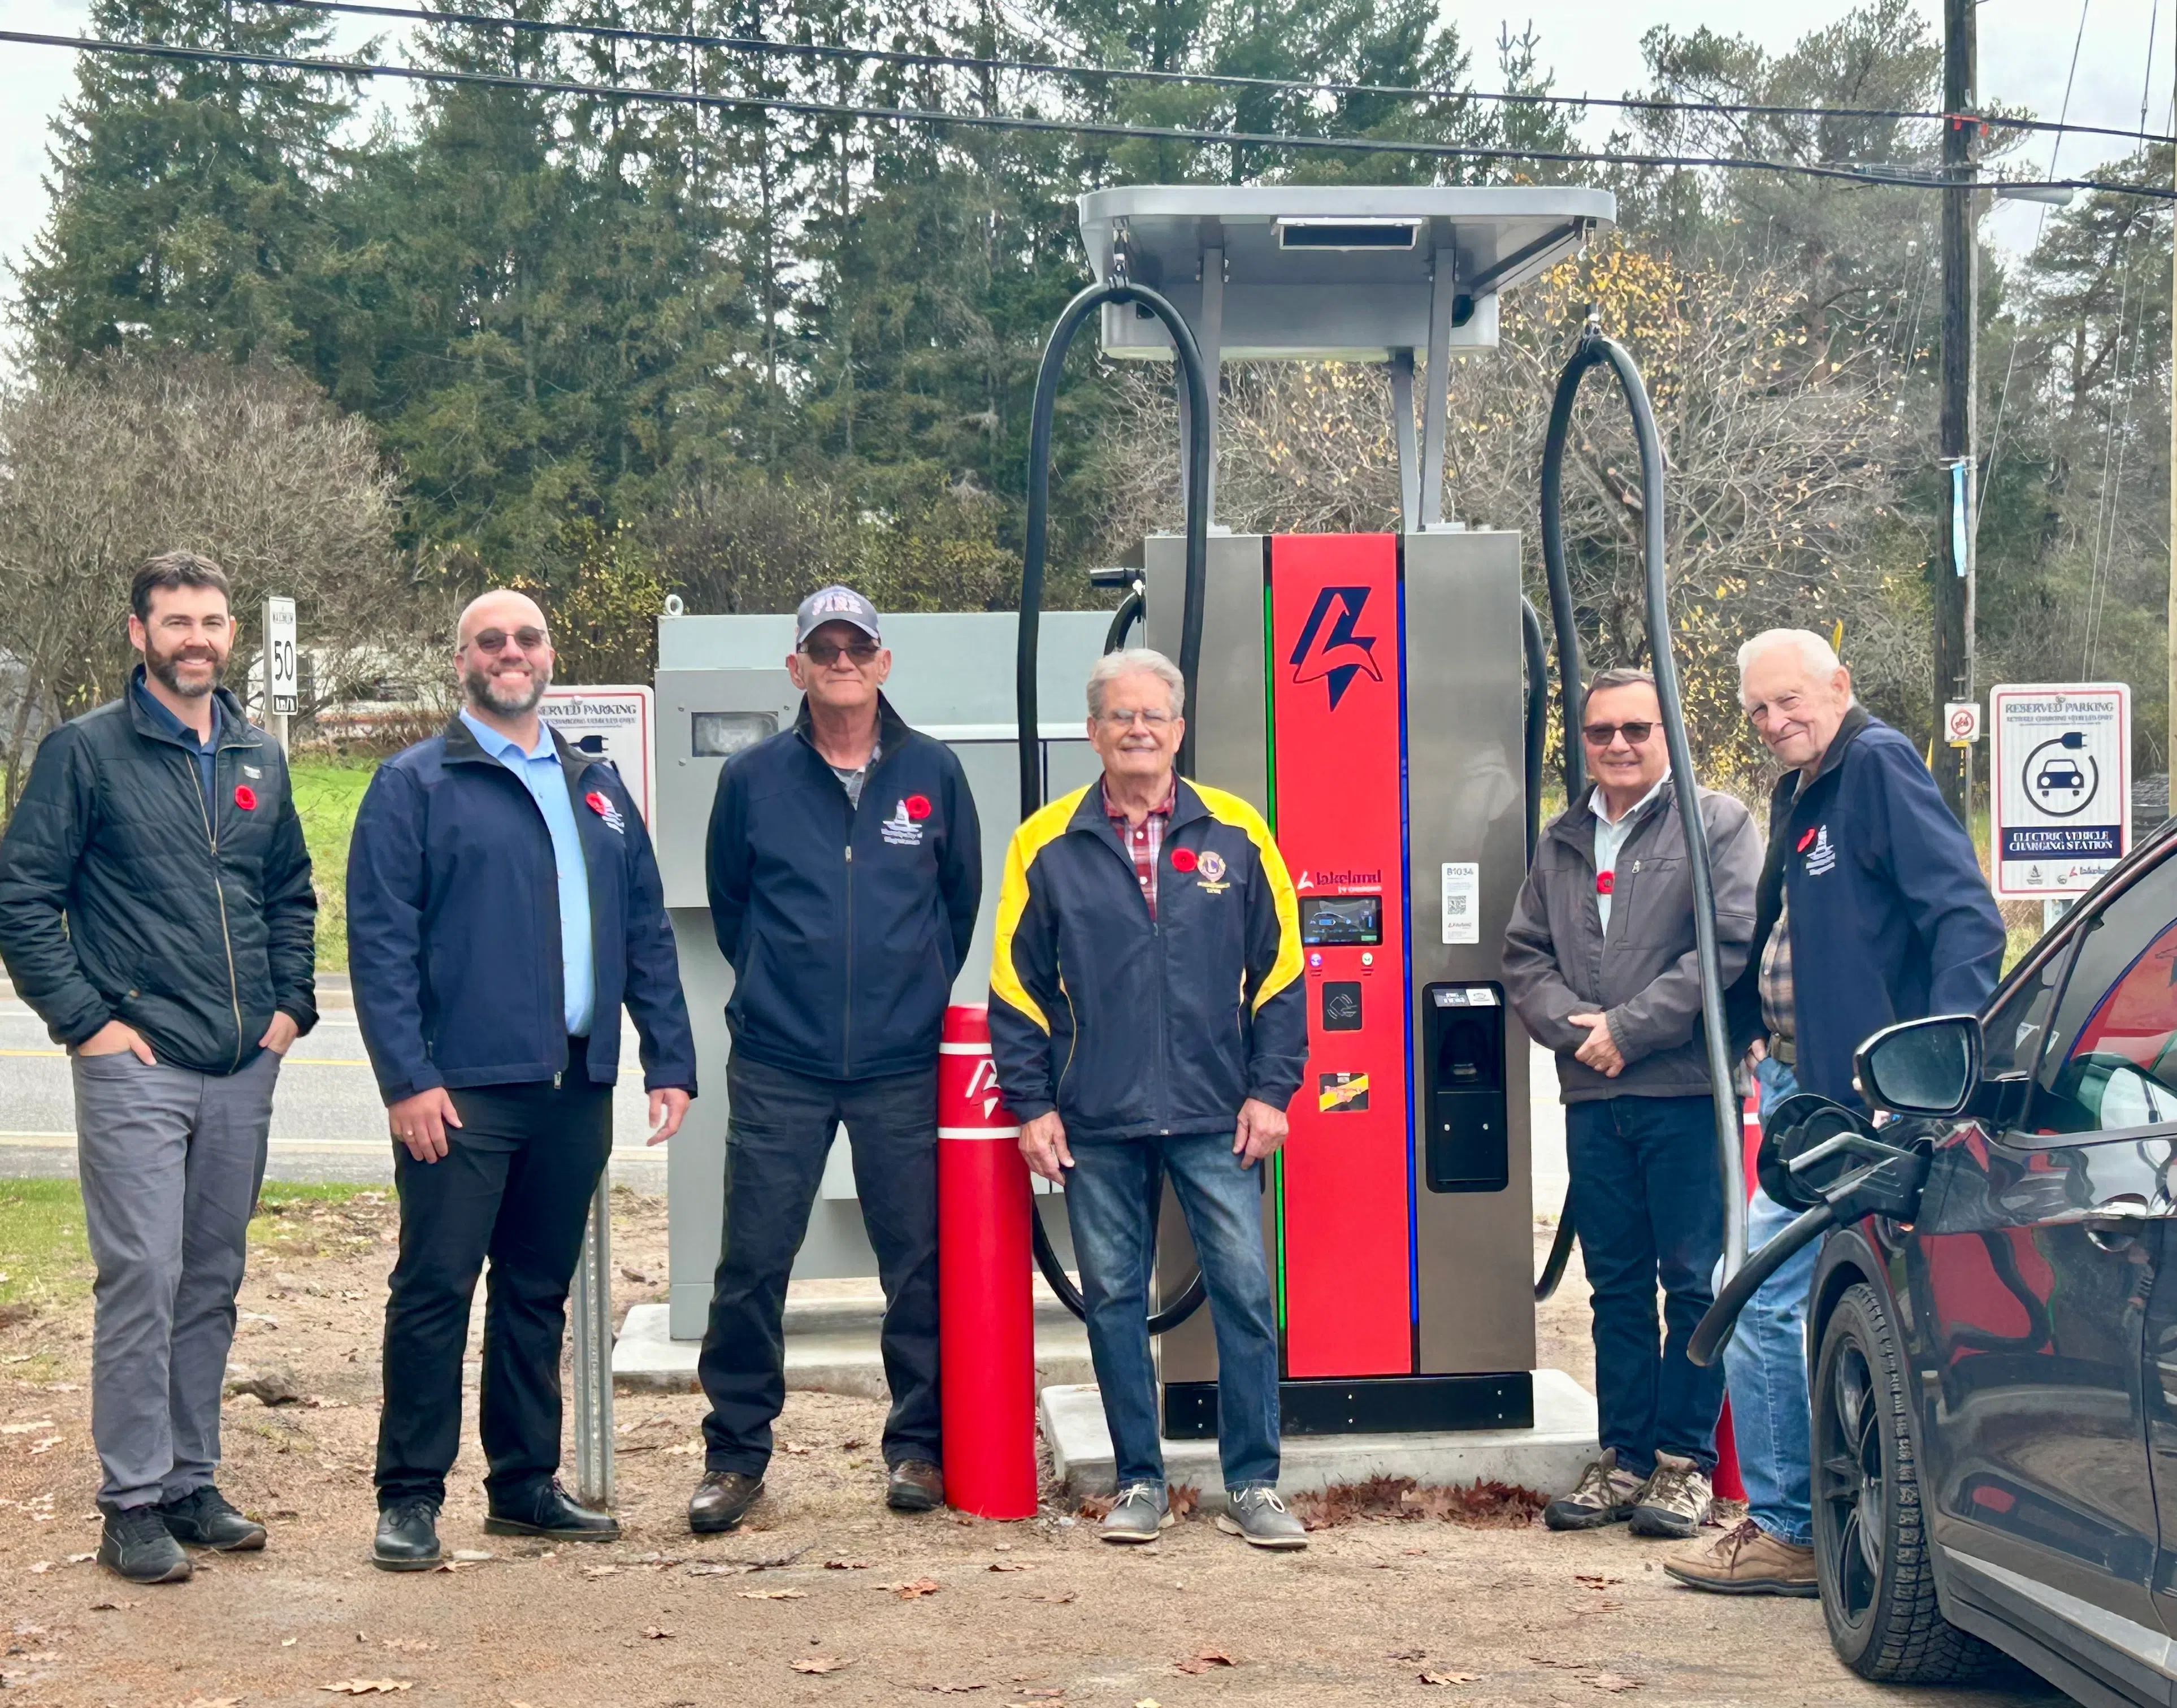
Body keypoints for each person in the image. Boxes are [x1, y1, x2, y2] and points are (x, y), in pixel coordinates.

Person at [348, 588, 695, 1571]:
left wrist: (667, 1055)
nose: (511, 652)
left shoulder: (594, 783)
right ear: (460, 658)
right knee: (434, 1289)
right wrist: (406, 1078)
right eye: (490, 639)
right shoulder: (414, 784)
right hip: (459, 1092)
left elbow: (644, 930)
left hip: (574, 1086)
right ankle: (409, 1495)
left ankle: (523, 1486)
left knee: (536, 1290)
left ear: (552, 654)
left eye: (528, 637)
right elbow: (378, 945)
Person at [1663, 628, 2004, 1596]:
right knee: (1817, 1298)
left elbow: (1965, 920)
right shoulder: (1803, 789)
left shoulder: (1878, 764)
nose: (1776, 722)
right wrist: (1746, 1028)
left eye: (1791, 702)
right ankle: (1818, 1518)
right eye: (1759, 711)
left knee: (1761, 1291)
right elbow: (1780, 923)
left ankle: (1786, 1528)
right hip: (1804, 1091)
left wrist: (1937, 1070)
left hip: (1873, 1099)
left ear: (1840, 684)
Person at [0, 550, 316, 1585]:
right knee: (144, 1274)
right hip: (136, 1062)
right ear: (137, 632)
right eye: (176, 620)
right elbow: (23, 899)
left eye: (213, 621)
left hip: (240, 1068)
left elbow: (291, 894)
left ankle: (190, 1478)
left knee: (212, 1277)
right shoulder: (83, 752)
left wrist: (287, 1013)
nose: (197, 637)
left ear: (231, 635)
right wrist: (87, 1022)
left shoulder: (258, 757)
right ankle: (131, 1501)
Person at [989, 648, 1308, 1550]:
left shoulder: (1238, 832)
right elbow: (1017, 989)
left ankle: (1254, 1482)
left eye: (1153, 715)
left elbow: (1283, 975)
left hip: (1217, 1114)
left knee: (1244, 1293)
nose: (1138, 729)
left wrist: (1272, 1091)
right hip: (1096, 1117)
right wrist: (1031, 1105)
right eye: (1119, 716)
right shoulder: (1044, 843)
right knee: (1116, 1297)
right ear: (1093, 733)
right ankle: (1139, 1479)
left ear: (1178, 727)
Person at [691, 586, 981, 1532]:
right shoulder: (754, 779)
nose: (843, 661)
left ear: (885, 663)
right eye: (826, 648)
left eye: (860, 646)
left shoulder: (934, 772)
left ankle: (919, 1447)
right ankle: (736, 1457)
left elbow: (958, 903)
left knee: (920, 1261)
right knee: (751, 1262)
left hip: (903, 1062)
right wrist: (786, 989)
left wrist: (911, 991)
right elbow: (734, 909)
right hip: (781, 1060)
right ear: (798, 667)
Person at [1504, 667, 1761, 1542]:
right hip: (1594, 1094)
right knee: (1613, 1284)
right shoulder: (1562, 838)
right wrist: (1579, 1034)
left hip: (1684, 1091)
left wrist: (1630, 1027)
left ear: (1669, 734)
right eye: (1602, 731)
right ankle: (1623, 1456)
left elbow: (1726, 947)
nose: (1619, 744)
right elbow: (1524, 957)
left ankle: (1683, 1465)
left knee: (1691, 1282)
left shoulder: (1715, 821)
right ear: (1582, 740)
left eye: (1637, 730)